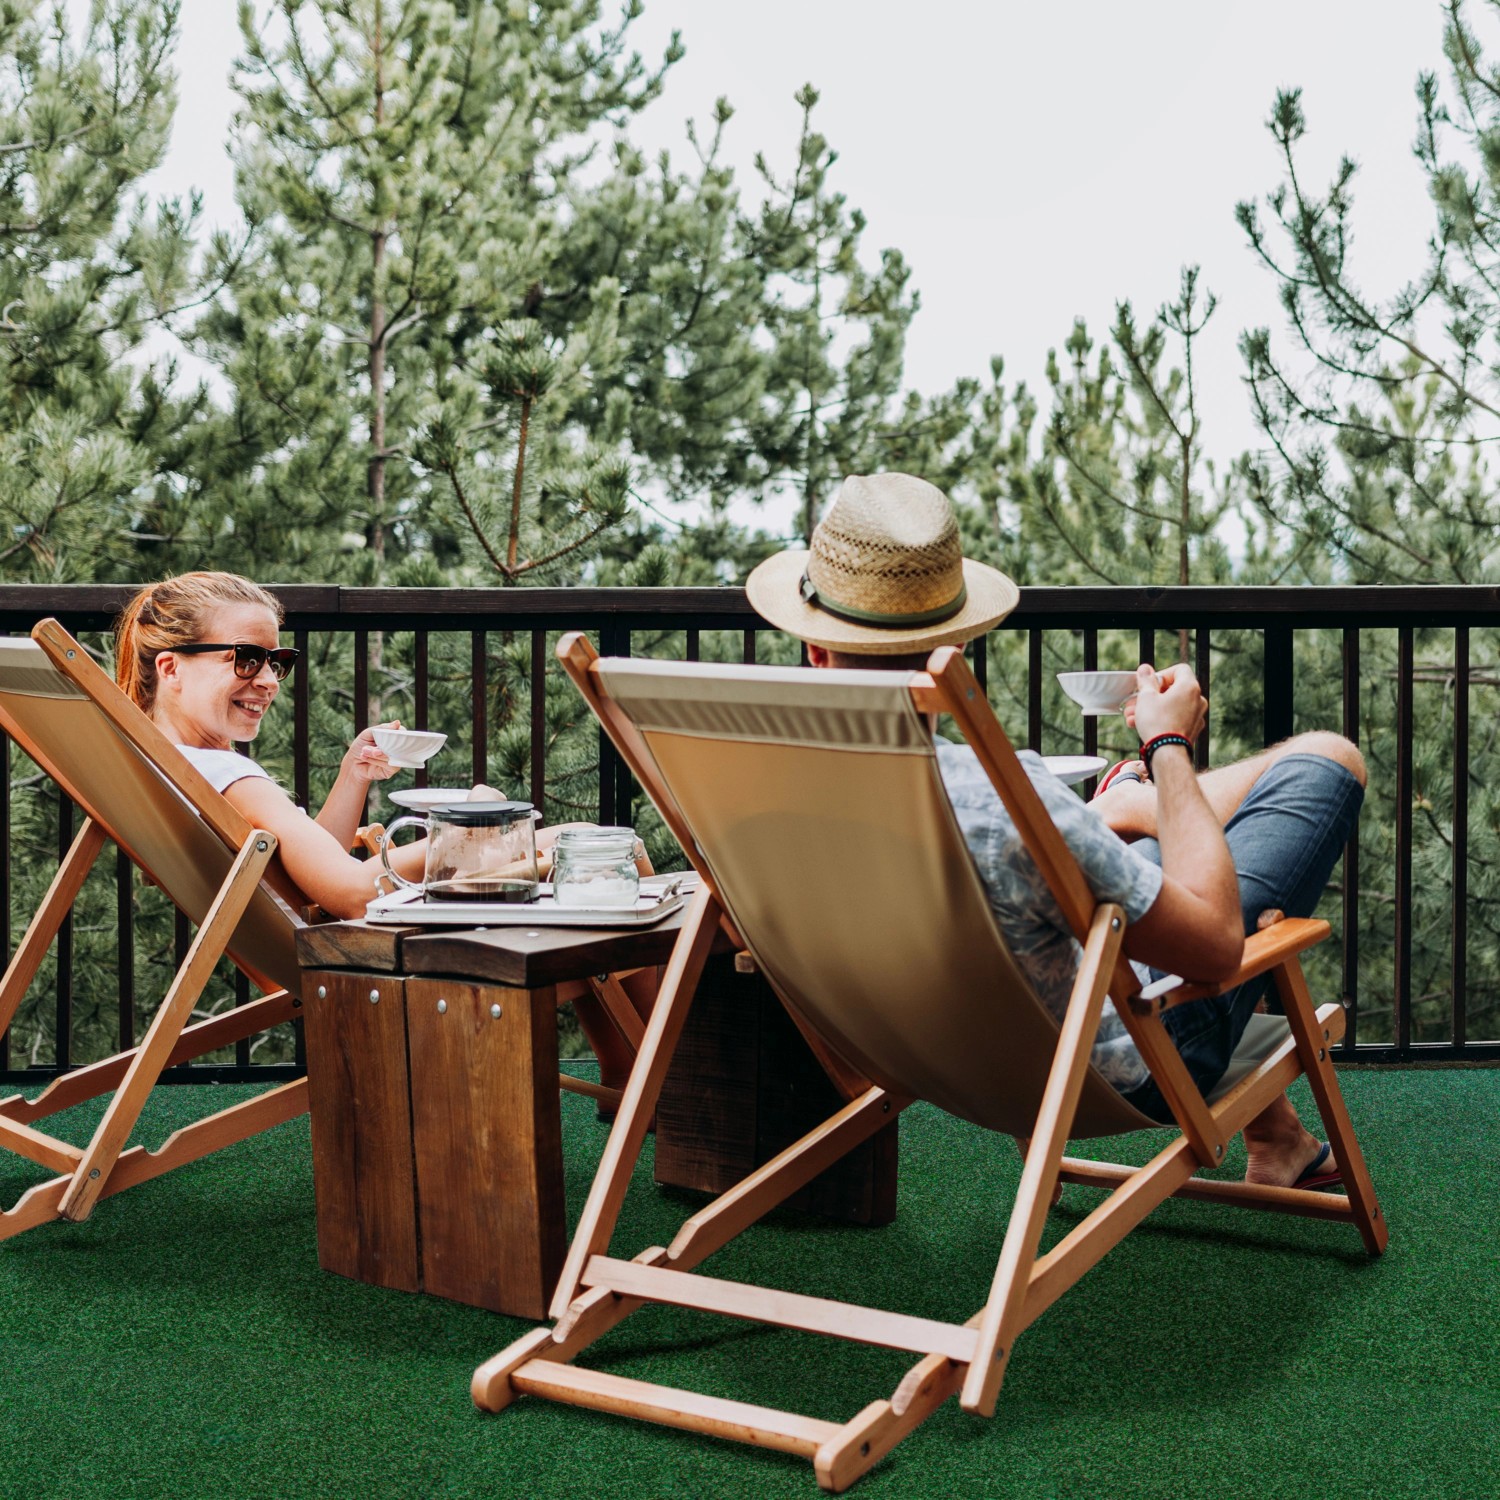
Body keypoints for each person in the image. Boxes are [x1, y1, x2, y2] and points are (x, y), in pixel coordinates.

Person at [745, 472, 1363, 1191]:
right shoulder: (1008, 799)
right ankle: (1137, 801)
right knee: (1329, 760)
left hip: (925, 1053)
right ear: (957, 645)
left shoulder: (763, 796)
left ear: (817, 652)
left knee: (1127, 849)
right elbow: (1219, 946)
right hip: (1124, 1061)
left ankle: (1128, 813)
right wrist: (1167, 747)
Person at [113, 571, 647, 922]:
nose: (270, 680)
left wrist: (353, 776)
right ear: (171, 668)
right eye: (248, 658)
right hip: (357, 932)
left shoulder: (178, 764)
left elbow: (305, 862)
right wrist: (476, 829)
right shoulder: (228, 775)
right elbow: (348, 892)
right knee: (601, 847)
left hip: (308, 925)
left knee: (585, 845)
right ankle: (656, 1078)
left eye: (278, 661)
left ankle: (635, 1075)